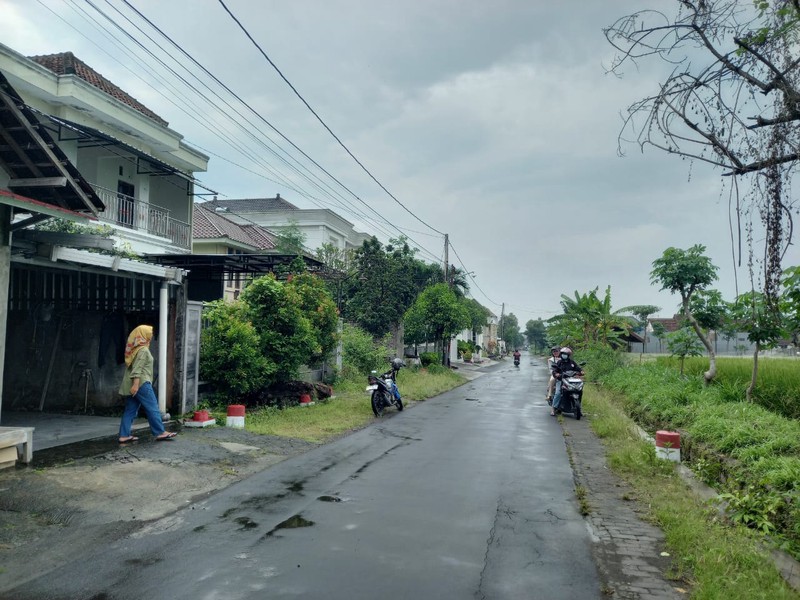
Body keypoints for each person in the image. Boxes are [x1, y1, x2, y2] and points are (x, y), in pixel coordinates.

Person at [118, 324, 176, 443]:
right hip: (141, 384)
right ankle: (160, 432)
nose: (152, 334)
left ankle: (124, 435)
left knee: (130, 410)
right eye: (150, 332)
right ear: (143, 334)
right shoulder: (143, 350)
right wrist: (136, 385)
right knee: (153, 408)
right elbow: (137, 369)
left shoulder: (136, 349)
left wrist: (134, 385)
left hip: (135, 384)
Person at [551, 346, 584, 416]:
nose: (564, 355)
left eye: (566, 354)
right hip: (561, 380)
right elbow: (554, 370)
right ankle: (553, 409)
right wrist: (556, 374)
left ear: (568, 355)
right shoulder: (559, 362)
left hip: (571, 381)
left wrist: (581, 371)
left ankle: (578, 408)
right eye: (563, 354)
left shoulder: (572, 362)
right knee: (558, 393)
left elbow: (578, 368)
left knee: (579, 391)